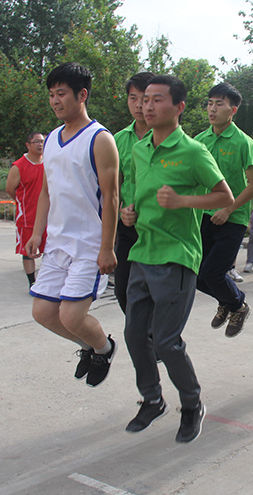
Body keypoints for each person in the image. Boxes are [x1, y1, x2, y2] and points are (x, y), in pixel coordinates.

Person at [120, 75, 232, 443]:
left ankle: (191, 403)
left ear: (179, 107)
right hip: (142, 252)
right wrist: (129, 211)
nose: (147, 106)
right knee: (135, 334)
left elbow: (224, 198)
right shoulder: (139, 149)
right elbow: (135, 193)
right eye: (144, 100)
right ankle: (152, 399)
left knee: (167, 341)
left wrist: (184, 201)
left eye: (157, 100)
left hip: (177, 256)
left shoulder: (194, 152)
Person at [25, 62, 119, 388]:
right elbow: (47, 191)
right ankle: (90, 347)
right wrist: (38, 232)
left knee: (71, 315)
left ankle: (105, 349)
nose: (55, 100)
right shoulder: (50, 139)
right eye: (51, 94)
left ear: (82, 95)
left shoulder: (99, 138)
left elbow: (111, 197)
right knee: (42, 312)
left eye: (61, 93)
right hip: (57, 242)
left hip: (89, 244)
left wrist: (107, 247)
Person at [194, 82, 253, 338]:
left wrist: (228, 209)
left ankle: (236, 305)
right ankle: (232, 303)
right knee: (196, 276)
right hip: (202, 216)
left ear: (232, 110)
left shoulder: (244, 142)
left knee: (212, 272)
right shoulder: (200, 140)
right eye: (210, 103)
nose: (212, 109)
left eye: (218, 104)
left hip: (232, 219)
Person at [112, 71, 155, 314]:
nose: (139, 105)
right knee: (123, 289)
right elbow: (114, 185)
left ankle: (155, 342)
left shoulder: (166, 138)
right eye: (133, 98)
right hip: (128, 227)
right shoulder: (117, 139)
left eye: (145, 98)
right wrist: (120, 211)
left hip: (158, 228)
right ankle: (144, 340)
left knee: (156, 292)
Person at [6, 132, 47, 288]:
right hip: (28, 217)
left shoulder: (49, 162)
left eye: (42, 141)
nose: (40, 145)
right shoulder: (19, 166)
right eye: (36, 142)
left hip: (49, 216)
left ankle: (47, 281)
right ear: (28, 145)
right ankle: (32, 282)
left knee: (50, 250)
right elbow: (11, 189)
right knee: (28, 251)